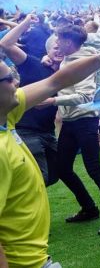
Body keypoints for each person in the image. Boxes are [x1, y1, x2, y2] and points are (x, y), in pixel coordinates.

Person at [1, 47, 100, 268]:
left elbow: (55, 81)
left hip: (36, 258)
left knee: (83, 168)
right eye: (9, 78)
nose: (17, 83)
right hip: (24, 263)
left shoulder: (7, 115)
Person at [53, 24, 100, 235]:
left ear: (68, 42)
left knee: (94, 168)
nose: (55, 43)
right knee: (62, 168)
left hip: (85, 120)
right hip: (70, 121)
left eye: (58, 39)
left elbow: (85, 97)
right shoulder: (68, 58)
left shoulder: (83, 62)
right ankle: (89, 208)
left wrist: (52, 100)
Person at [0, 16, 61, 186]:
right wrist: (26, 21)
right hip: (27, 131)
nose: (59, 51)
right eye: (55, 48)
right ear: (47, 50)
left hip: (48, 132)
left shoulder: (64, 72)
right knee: (40, 178)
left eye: (62, 47)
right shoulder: (33, 64)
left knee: (57, 174)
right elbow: (6, 44)